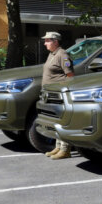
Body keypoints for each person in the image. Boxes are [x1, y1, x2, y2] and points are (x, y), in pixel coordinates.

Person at [42, 32, 75, 160]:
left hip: (59, 95)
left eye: (47, 41)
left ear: (55, 42)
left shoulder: (62, 54)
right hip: (50, 94)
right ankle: (58, 146)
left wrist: (63, 92)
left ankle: (65, 149)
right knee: (55, 121)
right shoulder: (52, 54)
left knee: (62, 121)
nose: (45, 43)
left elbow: (70, 75)